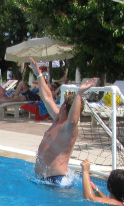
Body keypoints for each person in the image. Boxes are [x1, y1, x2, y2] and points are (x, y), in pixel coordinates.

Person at [31, 57, 98, 185]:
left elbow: (73, 120)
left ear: (64, 106)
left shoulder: (69, 128)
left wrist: (79, 94)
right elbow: (47, 97)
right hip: (43, 180)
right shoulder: (57, 119)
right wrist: (38, 74)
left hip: (57, 181)